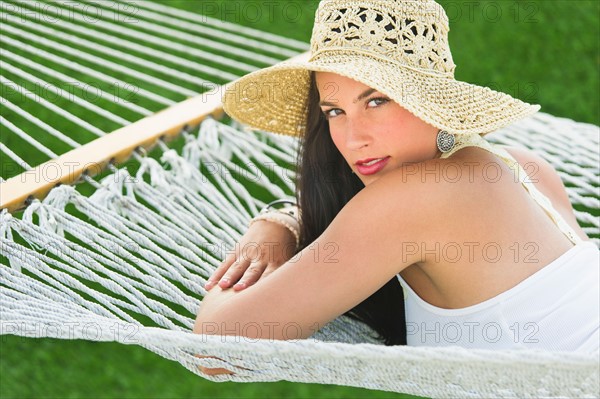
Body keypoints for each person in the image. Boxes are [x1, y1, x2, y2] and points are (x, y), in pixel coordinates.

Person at [194, 0, 599, 369]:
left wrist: (267, 226)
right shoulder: (526, 168)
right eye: (335, 111)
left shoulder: (410, 200)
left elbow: (218, 351)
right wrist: (285, 218)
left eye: (377, 101)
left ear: (433, 100)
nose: (354, 139)